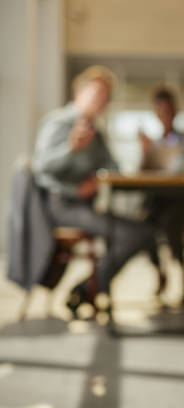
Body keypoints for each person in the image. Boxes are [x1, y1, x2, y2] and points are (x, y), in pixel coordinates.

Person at [31, 66, 155, 312]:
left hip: (85, 207)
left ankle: (88, 288)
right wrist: (70, 150)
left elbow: (115, 170)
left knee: (143, 232)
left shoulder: (95, 133)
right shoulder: (59, 123)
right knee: (135, 234)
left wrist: (144, 154)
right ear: (79, 92)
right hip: (61, 206)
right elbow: (39, 168)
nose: (101, 101)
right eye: (97, 93)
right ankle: (90, 288)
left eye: (105, 97)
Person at [139, 86, 184, 304]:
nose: (165, 115)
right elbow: (143, 174)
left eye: (168, 110)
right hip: (159, 200)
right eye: (160, 111)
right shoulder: (154, 143)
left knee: (171, 226)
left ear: (175, 111)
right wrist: (145, 153)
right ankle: (159, 271)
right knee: (141, 226)